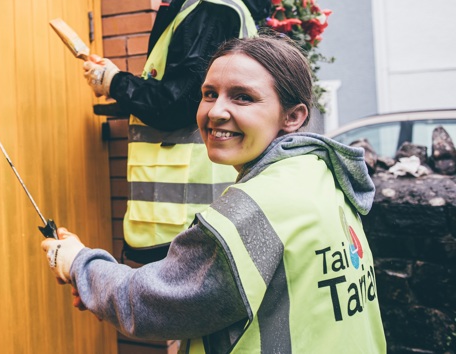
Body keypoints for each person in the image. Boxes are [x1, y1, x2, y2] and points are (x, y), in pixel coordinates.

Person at [44, 36, 386, 353]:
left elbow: (145, 303)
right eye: (209, 93)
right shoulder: (322, 176)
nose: (215, 111)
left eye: (242, 97)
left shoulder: (255, 208)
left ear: (293, 116)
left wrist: (78, 262)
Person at [83, 0, 271, 263]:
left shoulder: (210, 7)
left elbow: (178, 103)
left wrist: (115, 82)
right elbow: (185, 90)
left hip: (185, 222)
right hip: (191, 219)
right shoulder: (205, 5)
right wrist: (115, 84)